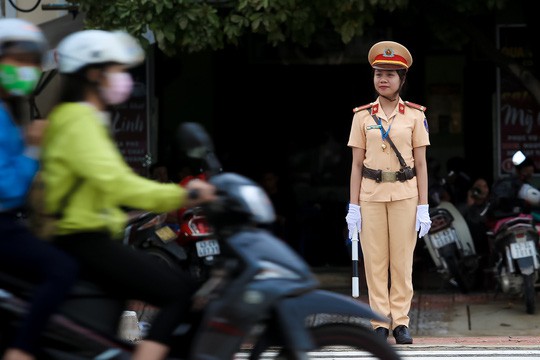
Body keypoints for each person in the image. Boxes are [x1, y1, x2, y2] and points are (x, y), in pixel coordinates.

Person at [41, 29, 215, 360]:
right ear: (93, 73)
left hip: (88, 238)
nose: (122, 78)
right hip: (85, 241)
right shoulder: (79, 119)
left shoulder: (80, 117)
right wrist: (184, 194)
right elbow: (118, 183)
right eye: (116, 70)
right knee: (181, 292)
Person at [0, 18, 79, 360]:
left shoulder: (9, 111)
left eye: (31, 64)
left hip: (12, 222)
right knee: (62, 269)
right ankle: (21, 351)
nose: (26, 71)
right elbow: (8, 187)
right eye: (18, 62)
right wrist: (34, 149)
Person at [345, 40, 431, 344]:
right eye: (379, 73)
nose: (383, 79)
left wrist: (424, 205)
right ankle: (380, 323)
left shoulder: (415, 115)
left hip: (405, 195)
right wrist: (352, 207)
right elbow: (356, 165)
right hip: (370, 195)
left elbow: (421, 164)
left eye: (390, 74)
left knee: (402, 262)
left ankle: (401, 323)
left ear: (402, 79)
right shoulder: (361, 116)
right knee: (375, 262)